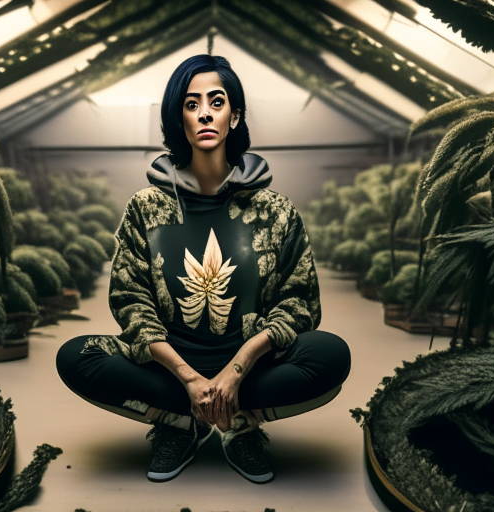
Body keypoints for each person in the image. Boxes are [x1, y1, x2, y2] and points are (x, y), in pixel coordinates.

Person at [56, 54, 351, 484]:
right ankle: (182, 422)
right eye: (192, 104)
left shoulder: (276, 211)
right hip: (171, 367)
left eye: (217, 101)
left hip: (250, 366)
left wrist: (237, 369)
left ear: (235, 116)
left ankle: (239, 422)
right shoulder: (146, 207)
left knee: (331, 355)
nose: (205, 113)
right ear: (180, 119)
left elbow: (299, 302)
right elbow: (130, 300)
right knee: (75, 357)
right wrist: (189, 377)